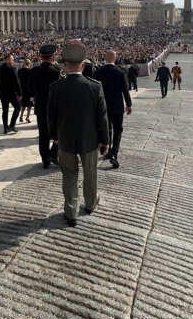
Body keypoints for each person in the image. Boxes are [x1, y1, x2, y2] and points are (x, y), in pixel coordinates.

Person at [48, 43, 108, 226]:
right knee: (90, 173)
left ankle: (71, 211)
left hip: (65, 139)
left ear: (65, 66)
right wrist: (105, 140)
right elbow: (102, 117)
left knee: (69, 175)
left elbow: (51, 116)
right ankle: (90, 204)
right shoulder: (95, 86)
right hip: (90, 139)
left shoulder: (56, 87)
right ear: (83, 65)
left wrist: (54, 136)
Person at [94, 49, 132, 169]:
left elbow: (94, 91)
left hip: (102, 106)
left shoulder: (98, 72)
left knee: (106, 128)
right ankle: (114, 153)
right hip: (117, 106)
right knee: (118, 130)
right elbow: (125, 90)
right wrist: (129, 104)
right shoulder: (120, 72)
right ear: (116, 59)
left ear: (104, 58)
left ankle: (106, 149)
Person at [29, 45, 61, 168]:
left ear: (40, 57)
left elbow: (30, 89)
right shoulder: (57, 72)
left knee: (43, 135)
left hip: (40, 107)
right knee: (58, 134)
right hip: (55, 108)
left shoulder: (34, 71)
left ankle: (45, 159)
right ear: (53, 57)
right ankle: (53, 154)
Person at [0, 53, 22, 134]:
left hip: (2, 93)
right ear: (8, 59)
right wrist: (20, 93)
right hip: (12, 93)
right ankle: (12, 125)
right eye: (12, 59)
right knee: (17, 107)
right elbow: (17, 82)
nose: (13, 61)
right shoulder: (12, 68)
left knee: (5, 110)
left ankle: (5, 128)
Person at [18, 59, 33, 123]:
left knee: (23, 104)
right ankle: (27, 117)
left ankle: (21, 116)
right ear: (29, 64)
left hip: (22, 89)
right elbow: (31, 82)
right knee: (29, 105)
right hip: (28, 90)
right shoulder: (30, 71)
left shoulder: (19, 70)